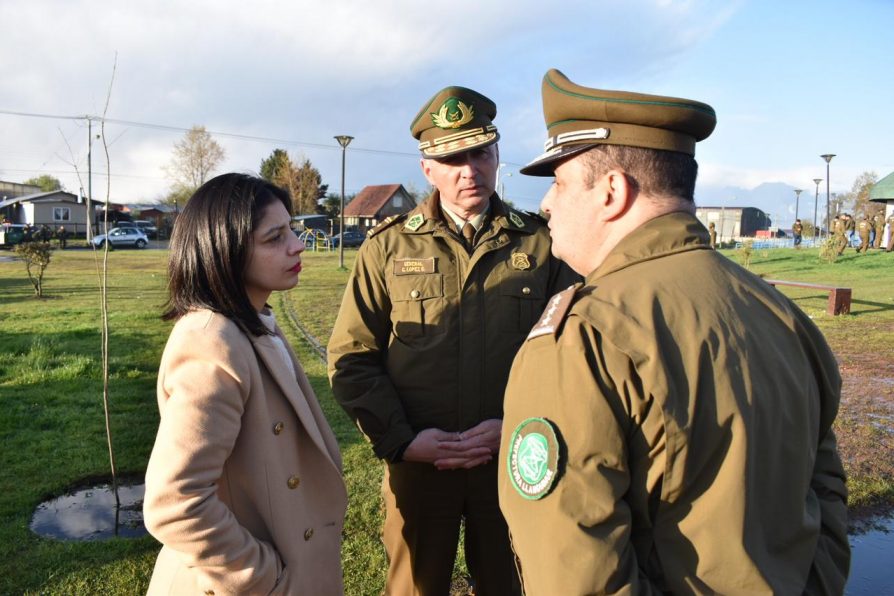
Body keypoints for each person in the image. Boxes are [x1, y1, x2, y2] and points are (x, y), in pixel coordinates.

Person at [497, 69, 850, 594]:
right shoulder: (779, 311)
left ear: (612, 191)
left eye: (560, 181)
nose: (546, 203)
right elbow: (824, 487)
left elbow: (573, 570)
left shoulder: (585, 336)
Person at [327, 86, 578, 595]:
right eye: (452, 157)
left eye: (480, 152)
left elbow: (572, 354)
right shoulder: (388, 247)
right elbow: (352, 357)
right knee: (415, 587)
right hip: (421, 465)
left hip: (512, 463)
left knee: (513, 583)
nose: (469, 170)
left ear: (497, 155)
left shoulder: (541, 243)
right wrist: (402, 441)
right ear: (428, 169)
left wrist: (517, 429)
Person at [143, 173, 347, 595]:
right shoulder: (211, 340)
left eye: (291, 229)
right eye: (274, 238)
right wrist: (262, 577)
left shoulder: (252, 321)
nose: (297, 245)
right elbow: (175, 504)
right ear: (225, 252)